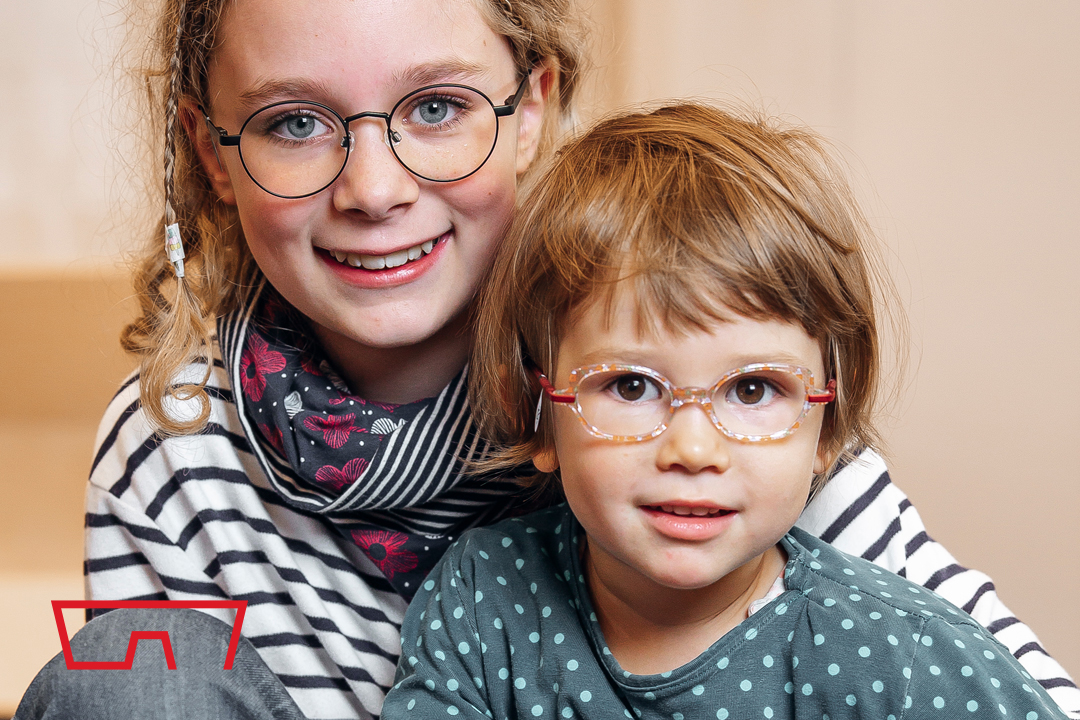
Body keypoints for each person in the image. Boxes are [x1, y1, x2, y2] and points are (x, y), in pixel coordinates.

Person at [16, 0, 1077, 718]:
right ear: (214, 153)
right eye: (296, 122)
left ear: (532, 110)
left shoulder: (699, 397)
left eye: (438, 108)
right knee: (120, 684)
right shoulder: (174, 449)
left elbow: (1002, 674)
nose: (374, 188)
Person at [381, 103, 1070, 720]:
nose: (693, 449)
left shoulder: (899, 657)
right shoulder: (482, 599)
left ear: (826, 429)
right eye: (628, 386)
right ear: (534, 409)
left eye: (752, 390)